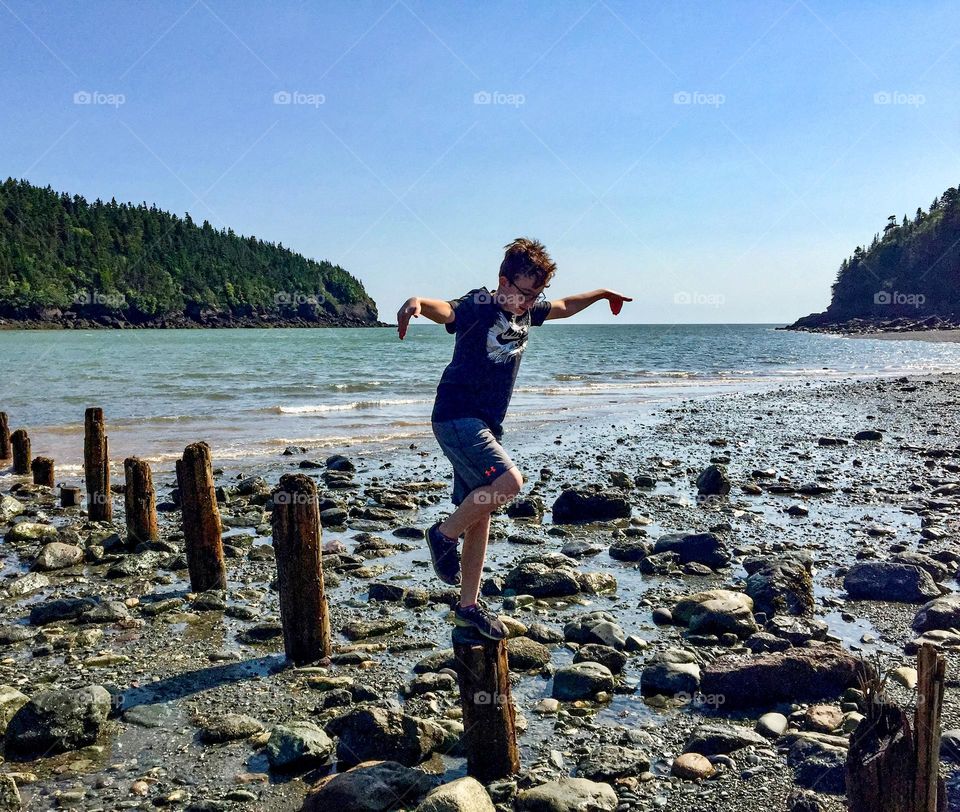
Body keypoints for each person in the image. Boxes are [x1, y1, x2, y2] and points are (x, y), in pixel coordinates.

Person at [396, 237, 631, 639]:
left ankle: (467, 606)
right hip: (457, 416)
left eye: (534, 295)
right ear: (502, 280)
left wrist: (602, 294)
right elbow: (446, 310)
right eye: (521, 293)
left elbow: (565, 306)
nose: (526, 303)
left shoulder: (528, 310)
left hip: (486, 423)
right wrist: (417, 300)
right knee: (509, 484)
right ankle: (441, 534)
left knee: (481, 509)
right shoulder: (481, 304)